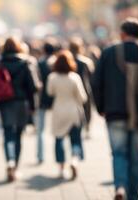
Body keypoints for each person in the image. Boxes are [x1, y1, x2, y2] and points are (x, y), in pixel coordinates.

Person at [91, 18, 138, 200]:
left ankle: (120, 187)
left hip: (115, 113)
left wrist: (101, 107)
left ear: (122, 34)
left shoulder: (108, 53)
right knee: (137, 158)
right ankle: (133, 195)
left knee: (118, 153)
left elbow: (96, 83)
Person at [0, 37, 36, 182]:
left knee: (7, 133)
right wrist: (32, 106)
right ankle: (15, 165)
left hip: (4, 102)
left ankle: (9, 160)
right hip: (21, 102)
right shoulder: (25, 63)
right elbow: (32, 86)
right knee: (18, 134)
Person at [47, 50, 87, 180]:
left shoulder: (52, 77)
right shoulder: (74, 77)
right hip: (74, 111)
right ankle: (74, 161)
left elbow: (50, 92)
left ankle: (61, 169)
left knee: (59, 140)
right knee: (75, 140)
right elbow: (82, 97)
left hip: (59, 111)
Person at [36, 39, 58, 164]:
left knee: (41, 130)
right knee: (59, 129)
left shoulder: (39, 63)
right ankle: (59, 156)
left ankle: (40, 155)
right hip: (56, 99)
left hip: (42, 99)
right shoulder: (57, 62)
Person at [69, 37, 95, 134]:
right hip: (85, 88)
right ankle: (87, 125)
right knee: (87, 109)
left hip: (71, 88)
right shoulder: (86, 62)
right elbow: (92, 77)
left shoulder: (68, 60)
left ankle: (76, 126)